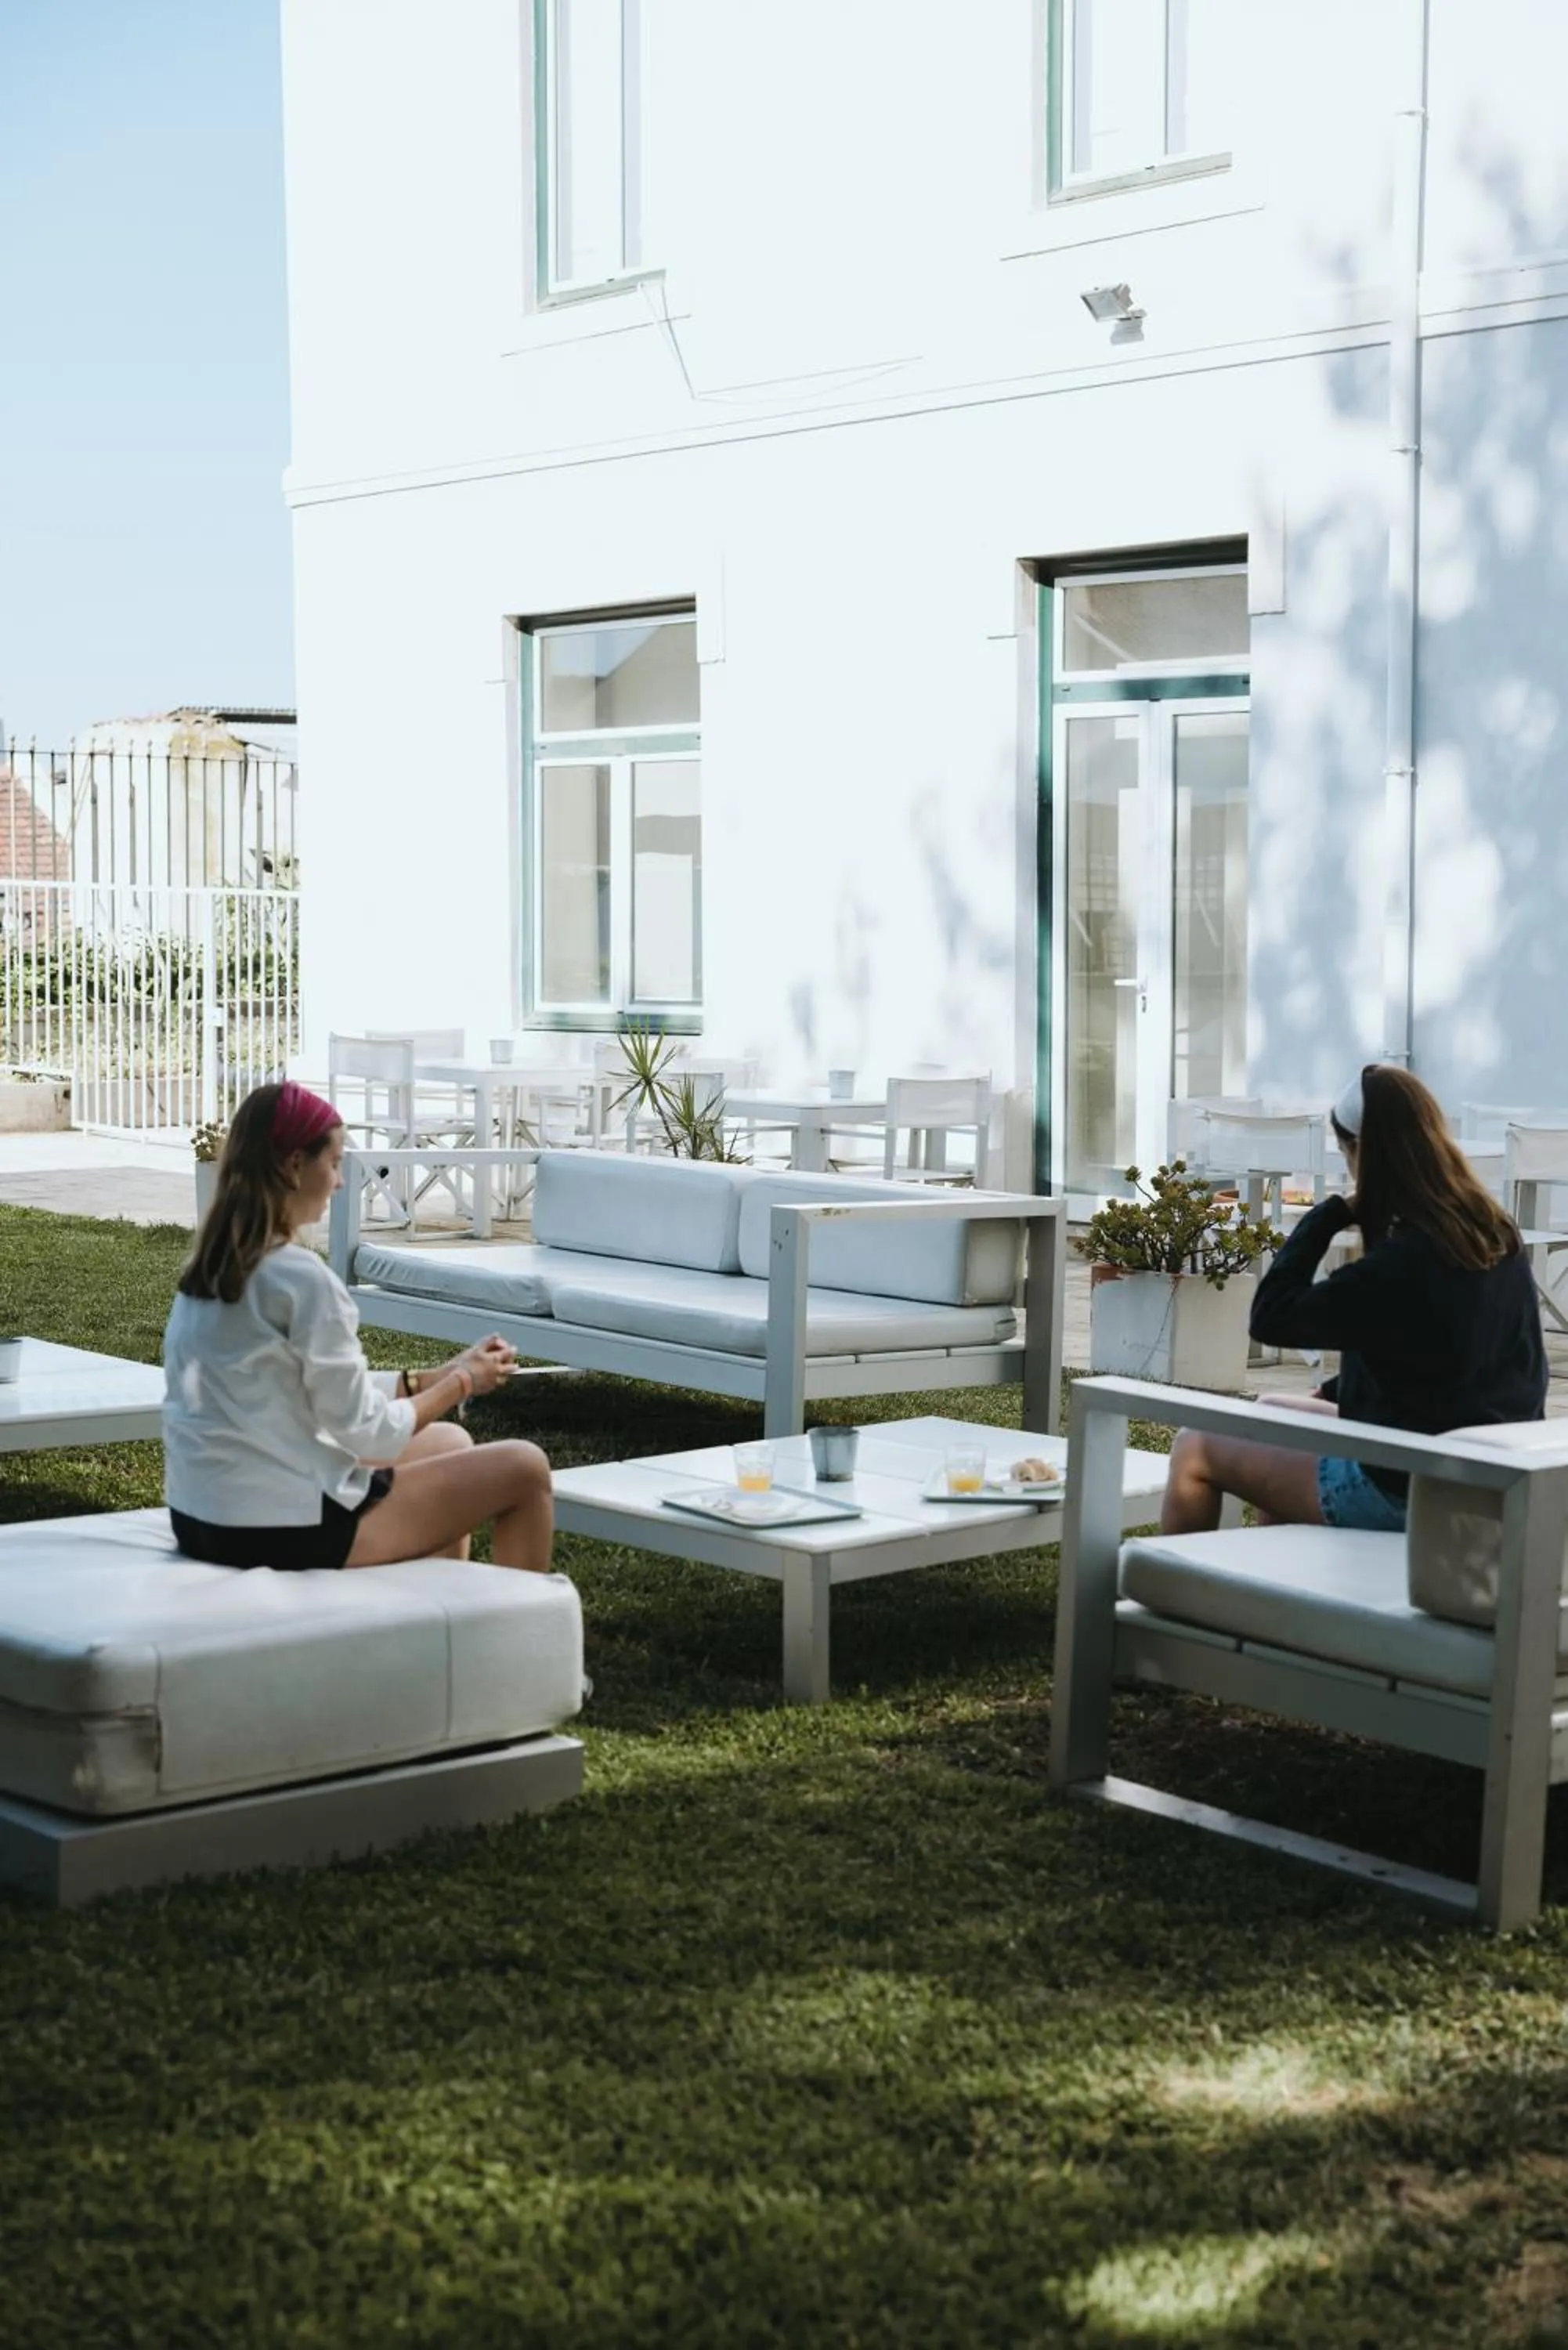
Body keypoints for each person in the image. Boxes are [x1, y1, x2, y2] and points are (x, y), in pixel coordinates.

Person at [163, 1080, 553, 1572]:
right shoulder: (300, 1279)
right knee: (524, 1468)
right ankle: (516, 1644)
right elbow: (369, 1435)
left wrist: (424, 1379)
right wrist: (462, 1383)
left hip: (203, 1517)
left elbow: (305, 1388)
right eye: (334, 1162)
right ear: (294, 1166)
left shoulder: (212, 1270)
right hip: (279, 1528)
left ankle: (436, 1615)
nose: (341, 1180)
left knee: (450, 1445)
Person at [1159, 1064, 1546, 1536]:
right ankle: (1274, 1592)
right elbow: (1432, 1350)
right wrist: (1336, 1391)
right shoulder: (1491, 1233)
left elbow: (1272, 1318)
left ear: (1363, 1155)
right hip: (1478, 1469)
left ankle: (1187, 1606)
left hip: (1406, 1487)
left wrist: (1327, 1216)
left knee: (1194, 1446)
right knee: (1269, 1410)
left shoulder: (1399, 1264)